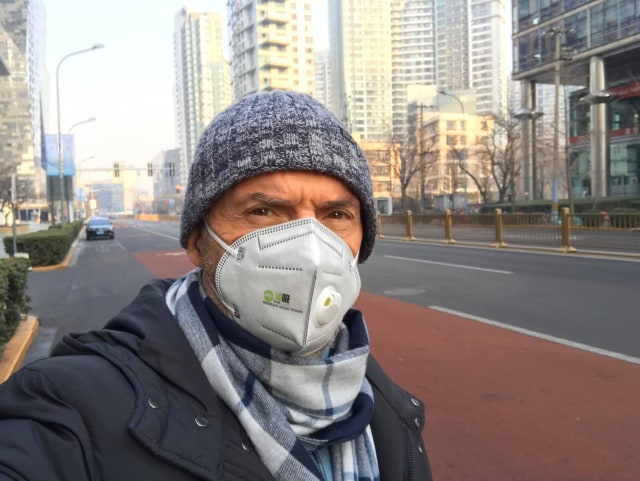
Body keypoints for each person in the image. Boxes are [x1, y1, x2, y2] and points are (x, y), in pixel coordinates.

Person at [0, 90, 433, 481]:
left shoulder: (386, 408)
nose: (311, 250)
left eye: (336, 215)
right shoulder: (79, 406)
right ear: (197, 240)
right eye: (264, 211)